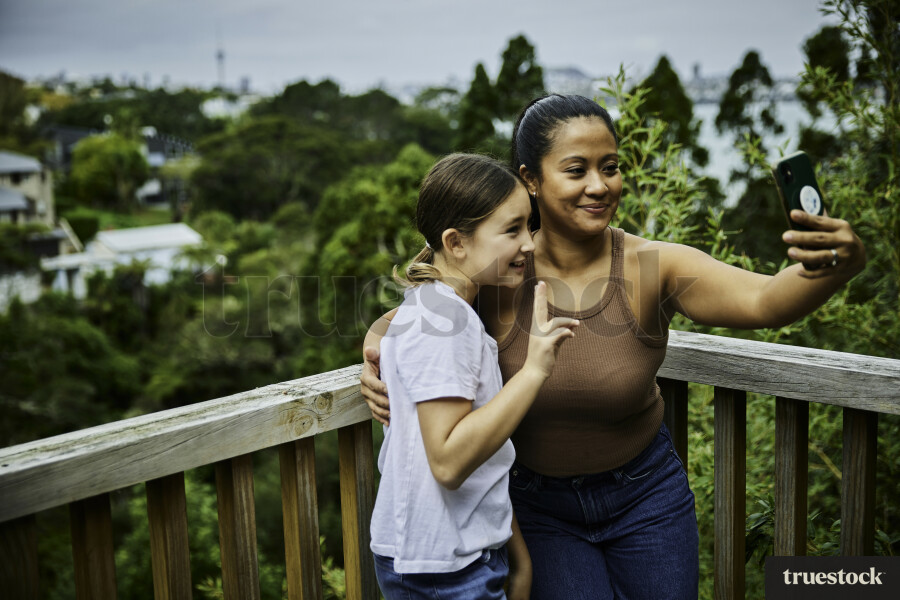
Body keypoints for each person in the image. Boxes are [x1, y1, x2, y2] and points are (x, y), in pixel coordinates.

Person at [362, 95, 866, 599]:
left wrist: (831, 266)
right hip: (539, 510)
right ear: (530, 179)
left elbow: (764, 301)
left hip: (647, 499)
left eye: (611, 167)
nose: (599, 185)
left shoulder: (652, 266)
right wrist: (375, 346)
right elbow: (421, 305)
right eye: (577, 169)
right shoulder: (500, 264)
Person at [370, 152, 579, 600]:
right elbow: (448, 461)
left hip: (447, 557)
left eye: (529, 225)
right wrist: (536, 368)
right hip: (445, 571)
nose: (529, 244)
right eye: (512, 230)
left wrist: (515, 556)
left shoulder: (434, 309)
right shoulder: (447, 322)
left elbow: (483, 456)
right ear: (456, 242)